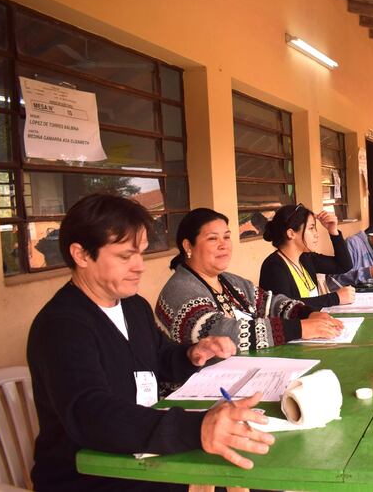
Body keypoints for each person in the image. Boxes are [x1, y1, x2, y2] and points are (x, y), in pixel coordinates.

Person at [27, 194, 276, 491]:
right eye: (124, 256)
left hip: (145, 455)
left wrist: (191, 354)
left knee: (256, 472)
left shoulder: (133, 306)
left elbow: (159, 355)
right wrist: (198, 429)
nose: (139, 266)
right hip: (95, 476)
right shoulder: (62, 326)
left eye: (141, 254)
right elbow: (91, 414)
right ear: (81, 255)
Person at [156, 208, 343, 351]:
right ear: (188, 245)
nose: (224, 245)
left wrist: (307, 314)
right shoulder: (179, 289)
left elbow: (271, 303)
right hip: (198, 394)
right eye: (213, 239)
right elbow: (222, 332)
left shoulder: (230, 281)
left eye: (227, 237)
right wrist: (300, 328)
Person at [260, 204, 355, 309]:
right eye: (311, 228)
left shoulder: (306, 258)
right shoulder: (274, 266)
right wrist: (335, 298)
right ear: (291, 234)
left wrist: (333, 231)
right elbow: (285, 308)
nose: (316, 234)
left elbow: (344, 265)